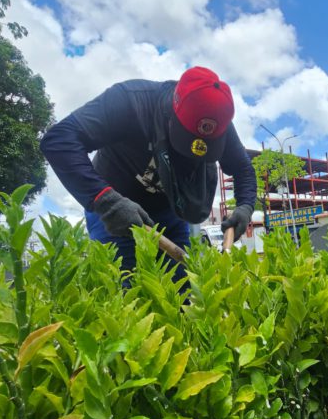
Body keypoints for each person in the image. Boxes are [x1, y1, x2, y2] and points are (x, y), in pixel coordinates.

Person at [40, 67, 257, 282]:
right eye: (187, 139)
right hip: (113, 210)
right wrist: (105, 200)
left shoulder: (218, 122)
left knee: (182, 293)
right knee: (126, 292)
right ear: (172, 112)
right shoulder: (131, 102)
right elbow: (60, 140)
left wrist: (245, 207)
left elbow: (243, 169)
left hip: (169, 215)